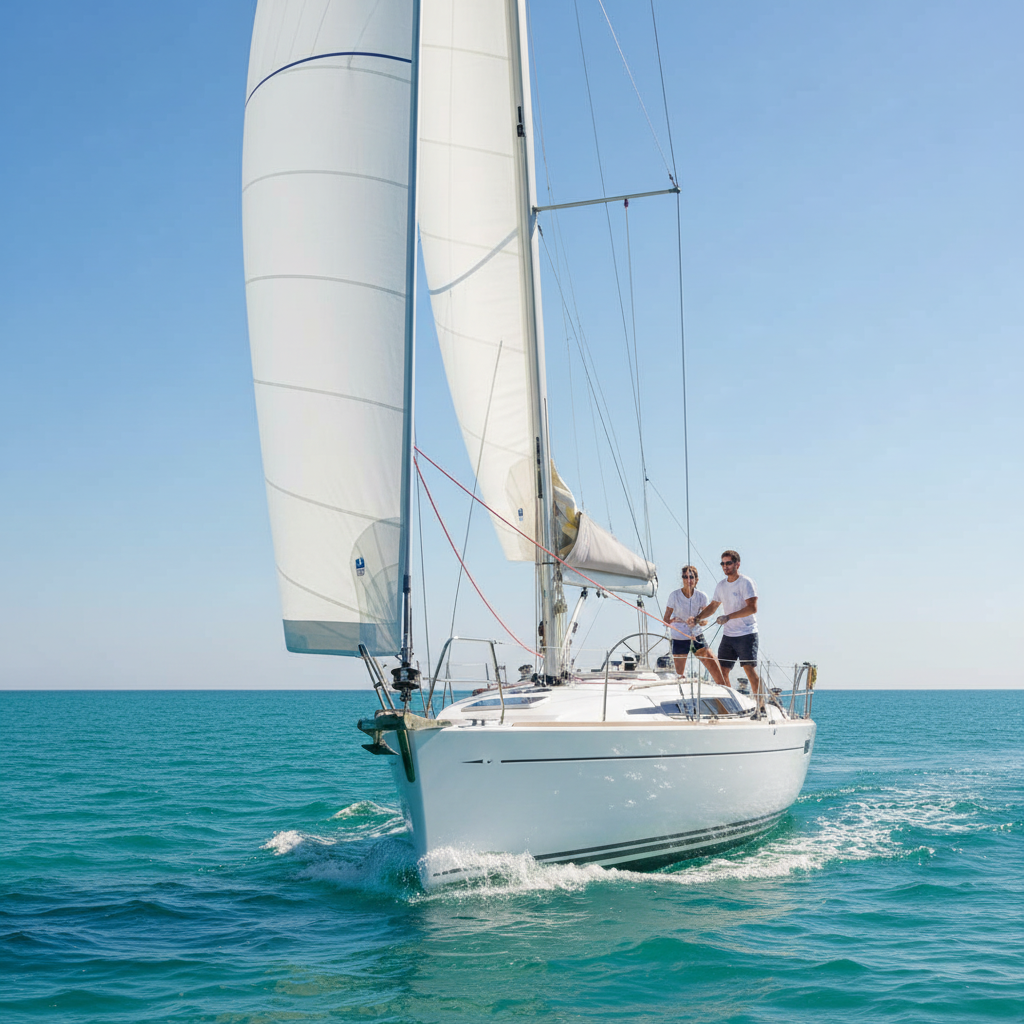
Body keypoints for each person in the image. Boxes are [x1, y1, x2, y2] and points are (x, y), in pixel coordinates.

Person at [692, 550, 763, 710]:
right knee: (722, 671)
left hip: (747, 633)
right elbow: (713, 606)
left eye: (728, 563)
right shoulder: (721, 586)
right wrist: (697, 618)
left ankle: (761, 706)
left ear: (737, 564)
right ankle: (732, 703)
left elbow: (752, 608)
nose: (725, 566)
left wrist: (728, 617)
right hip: (729, 635)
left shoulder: (746, 583)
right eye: (722, 563)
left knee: (749, 671)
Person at [663, 566, 728, 687]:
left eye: (691, 577)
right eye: (685, 577)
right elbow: (666, 619)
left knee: (710, 658)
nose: (688, 580)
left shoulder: (701, 596)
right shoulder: (674, 596)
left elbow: (705, 621)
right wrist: (673, 621)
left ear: (696, 579)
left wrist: (696, 621)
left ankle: (724, 687)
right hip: (679, 636)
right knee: (679, 674)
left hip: (696, 635)